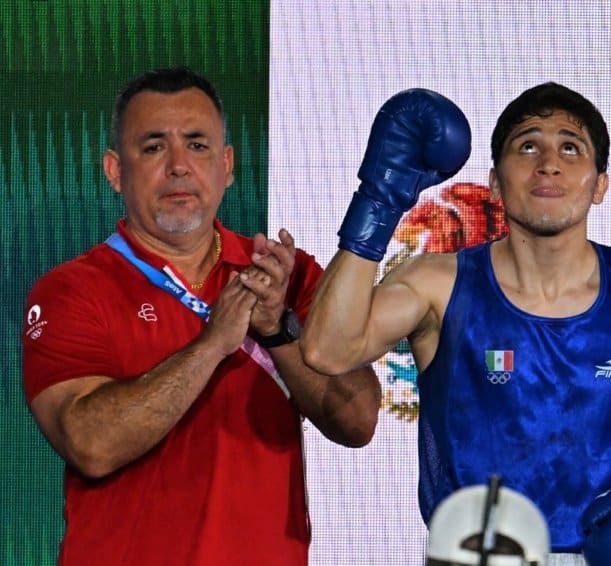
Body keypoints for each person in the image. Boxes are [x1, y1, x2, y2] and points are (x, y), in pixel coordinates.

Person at [300, 83, 611, 565]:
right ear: (494, 182)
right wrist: (378, 202)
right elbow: (327, 351)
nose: (548, 162)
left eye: (571, 147)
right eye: (528, 145)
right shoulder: (437, 285)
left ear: (600, 183)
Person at [21, 67, 381, 566]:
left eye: (197, 145)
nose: (178, 166)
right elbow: (90, 443)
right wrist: (212, 344)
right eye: (152, 147)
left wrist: (277, 331)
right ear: (114, 170)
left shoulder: (285, 274)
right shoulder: (72, 290)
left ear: (228, 164)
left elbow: (357, 421)